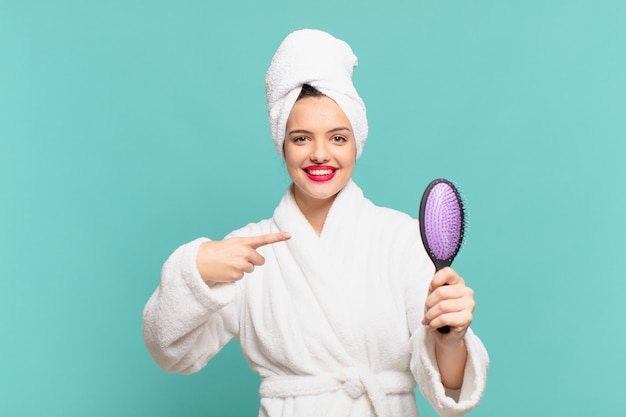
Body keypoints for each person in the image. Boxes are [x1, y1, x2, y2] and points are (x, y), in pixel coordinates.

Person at [143, 29, 489, 417]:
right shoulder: (247, 249)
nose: (320, 154)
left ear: (357, 143)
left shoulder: (402, 239)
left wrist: (450, 339)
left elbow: (449, 392)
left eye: (338, 138)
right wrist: (195, 271)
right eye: (302, 138)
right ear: (283, 145)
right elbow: (170, 353)